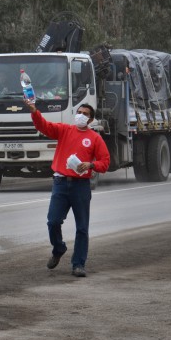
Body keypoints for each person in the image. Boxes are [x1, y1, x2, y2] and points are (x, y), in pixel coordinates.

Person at [25, 99, 110, 278]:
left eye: (85, 114)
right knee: (53, 221)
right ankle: (58, 248)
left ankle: (78, 264)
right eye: (79, 112)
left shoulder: (95, 138)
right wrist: (34, 111)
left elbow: (105, 162)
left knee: (82, 228)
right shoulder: (65, 130)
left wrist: (90, 165)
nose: (81, 115)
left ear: (90, 120)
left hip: (81, 186)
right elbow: (43, 126)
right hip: (61, 183)